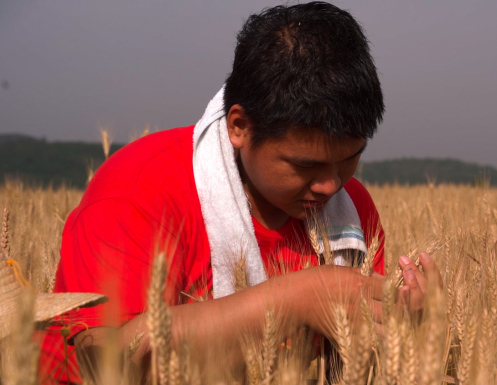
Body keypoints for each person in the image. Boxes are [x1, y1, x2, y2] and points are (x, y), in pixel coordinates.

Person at [39, 2, 441, 383]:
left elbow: (354, 366)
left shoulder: (352, 211)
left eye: (350, 158)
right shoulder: (138, 190)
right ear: (240, 127)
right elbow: (105, 365)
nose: (331, 186)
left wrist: (407, 325)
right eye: (306, 165)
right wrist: (296, 299)